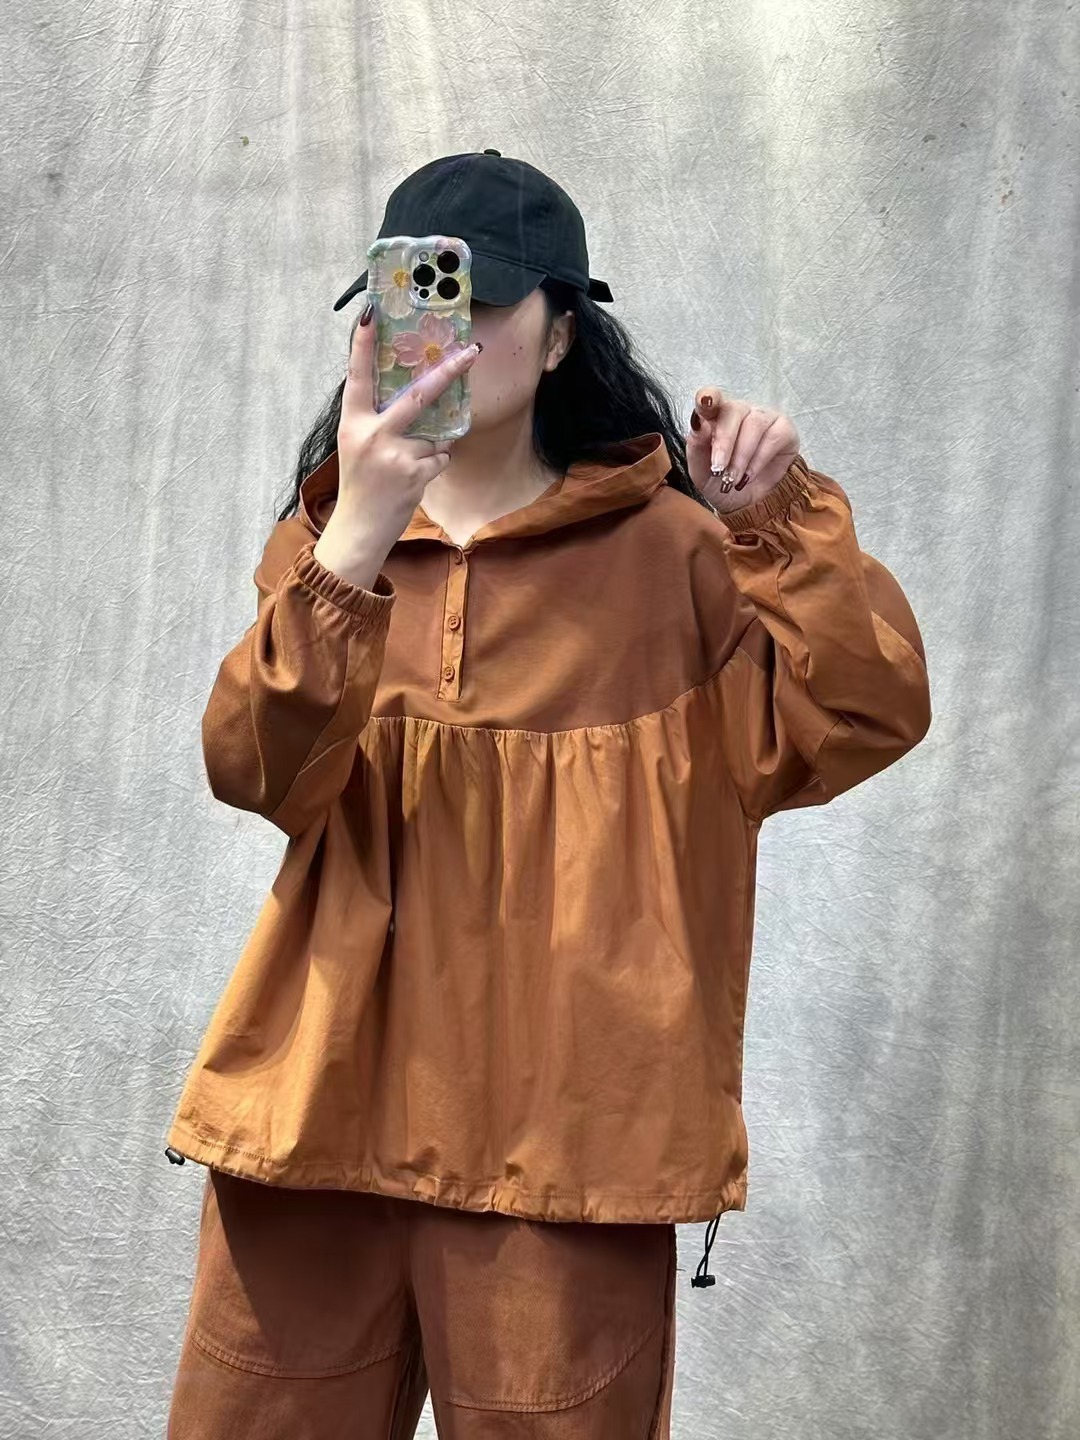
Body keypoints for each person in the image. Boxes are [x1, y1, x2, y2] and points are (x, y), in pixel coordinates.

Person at [163, 149, 931, 1439]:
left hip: (571, 1151)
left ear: (564, 332)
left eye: (485, 298)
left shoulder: (680, 557)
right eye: (417, 299)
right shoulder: (329, 547)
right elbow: (252, 771)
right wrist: (359, 532)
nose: (448, 333)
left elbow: (865, 715)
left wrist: (778, 526)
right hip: (317, 1128)